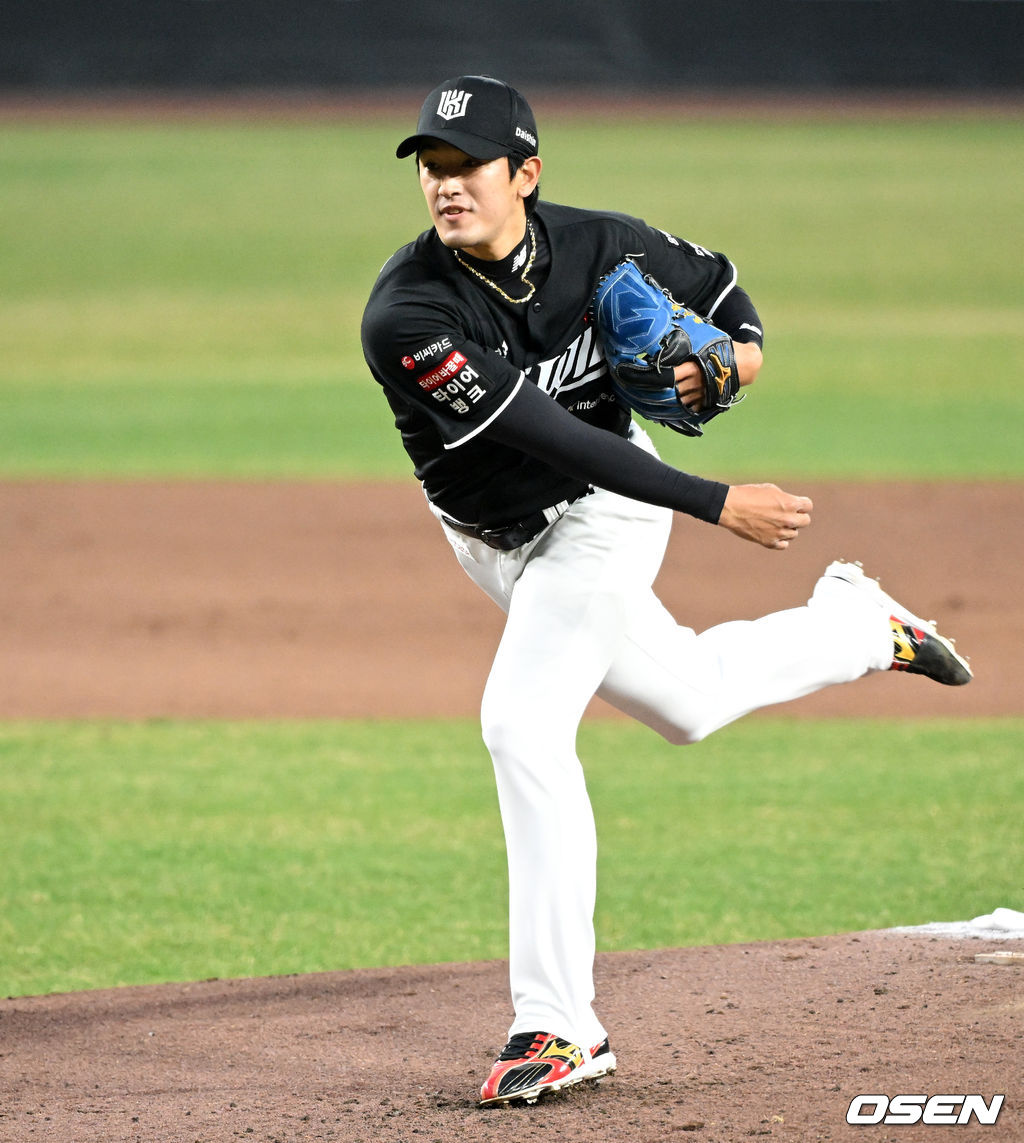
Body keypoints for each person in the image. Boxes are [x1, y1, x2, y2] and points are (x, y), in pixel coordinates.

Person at [360, 75, 972, 1108]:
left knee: (521, 726)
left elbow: (723, 291)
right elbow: (541, 431)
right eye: (432, 166)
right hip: (497, 537)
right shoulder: (408, 313)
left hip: (605, 515)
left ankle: (558, 1026)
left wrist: (735, 363)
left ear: (526, 173)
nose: (446, 184)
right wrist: (716, 499)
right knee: (687, 702)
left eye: (467, 165)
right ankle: (859, 624)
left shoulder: (603, 245)